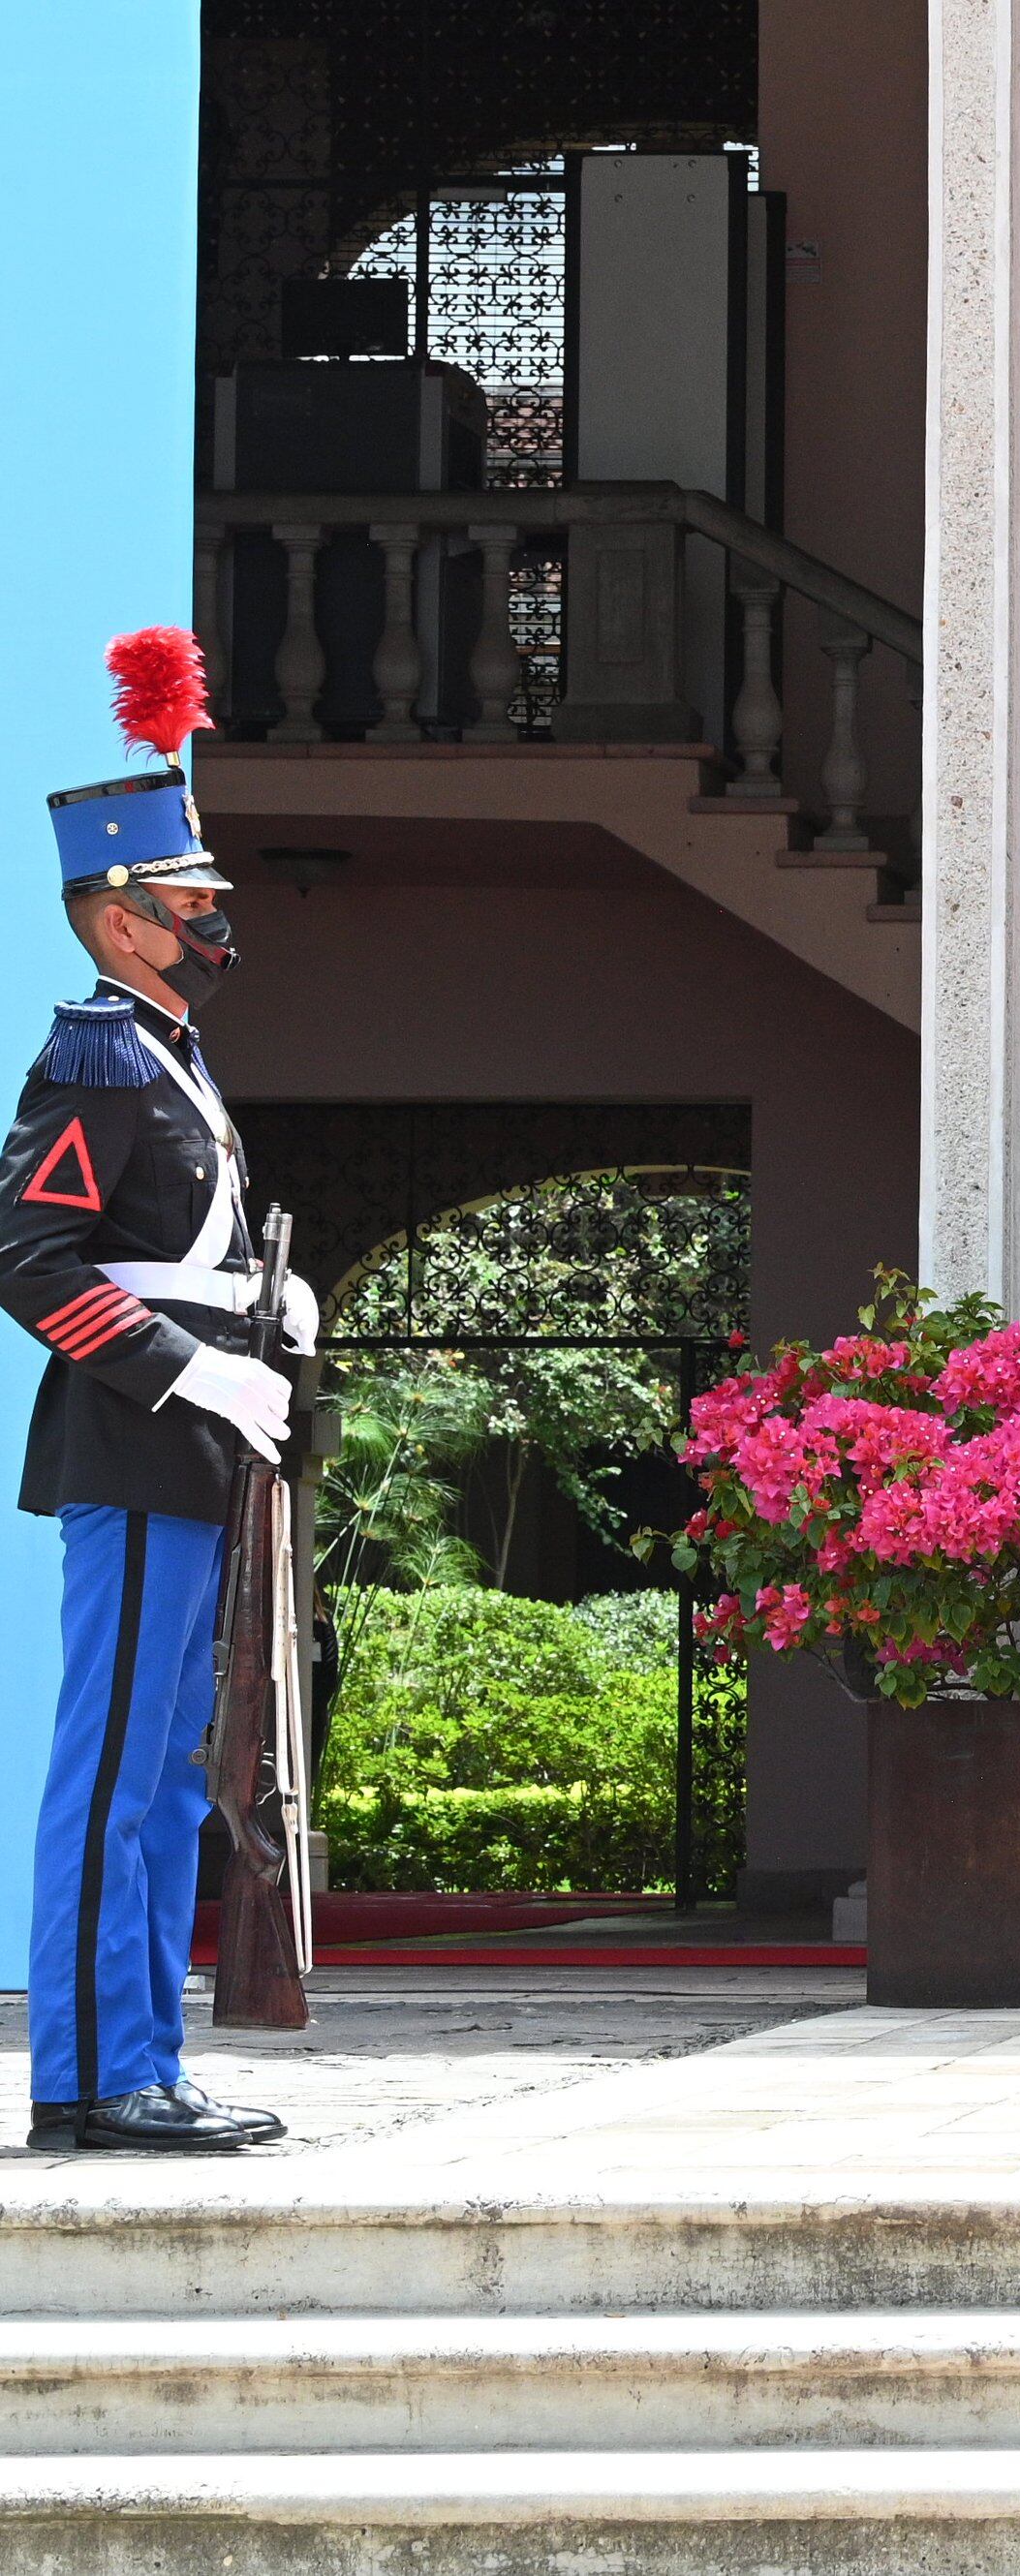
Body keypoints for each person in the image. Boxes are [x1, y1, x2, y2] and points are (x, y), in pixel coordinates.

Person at [11, 698, 309, 2153]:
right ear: (120, 923)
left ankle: (139, 2061)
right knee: (118, 1771)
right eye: (189, 899)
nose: (211, 917)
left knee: (166, 1771)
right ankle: (92, 2075)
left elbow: (176, 1250)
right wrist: (189, 1368)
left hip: (191, 1452)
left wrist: (270, 1308)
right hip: (134, 1444)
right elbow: (28, 1259)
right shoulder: (97, 1056)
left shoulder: (175, 1055)